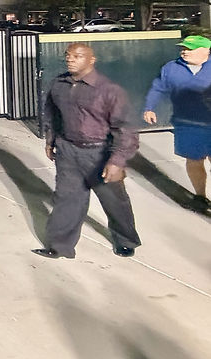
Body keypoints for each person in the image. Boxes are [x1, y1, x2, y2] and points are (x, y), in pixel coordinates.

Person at [33, 43, 141, 259]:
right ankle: (59, 246)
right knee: (67, 198)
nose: (70, 59)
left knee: (114, 201)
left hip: (100, 153)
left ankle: (126, 240)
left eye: (77, 56)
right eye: (68, 55)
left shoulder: (109, 90)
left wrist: (117, 161)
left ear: (91, 60)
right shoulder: (59, 84)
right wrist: (50, 141)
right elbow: (52, 115)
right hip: (67, 150)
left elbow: (125, 129)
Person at [143, 34, 211, 211]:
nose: (184, 51)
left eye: (189, 48)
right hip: (186, 123)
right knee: (194, 160)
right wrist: (149, 107)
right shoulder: (171, 68)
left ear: (205, 50)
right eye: (183, 48)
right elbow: (157, 88)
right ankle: (200, 197)